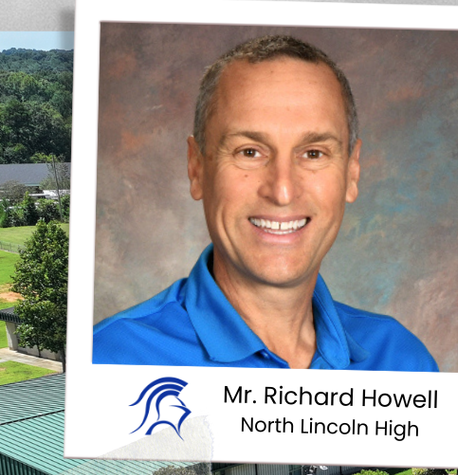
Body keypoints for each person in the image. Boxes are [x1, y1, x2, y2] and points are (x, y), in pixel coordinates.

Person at [92, 35, 438, 372]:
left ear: (352, 171)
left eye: (314, 153)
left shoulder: (404, 361)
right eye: (250, 152)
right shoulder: (109, 359)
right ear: (196, 168)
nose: (283, 191)